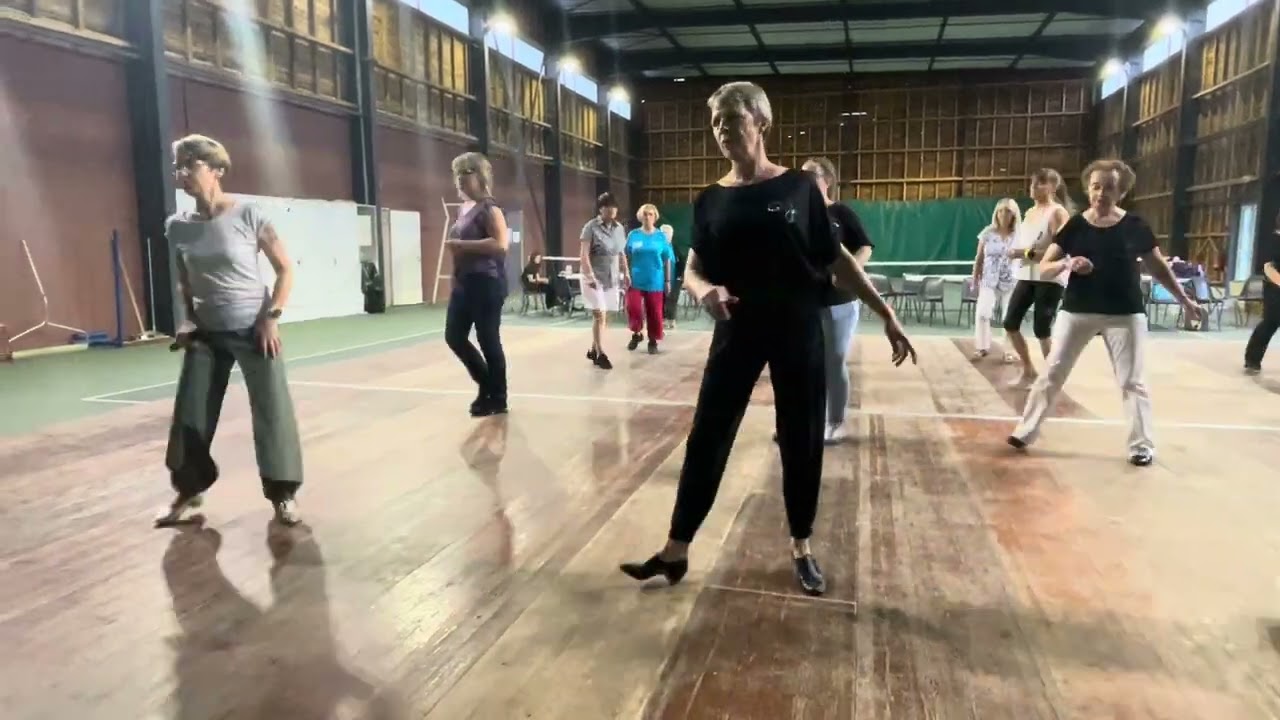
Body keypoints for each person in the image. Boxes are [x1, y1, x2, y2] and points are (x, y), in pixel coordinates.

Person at [619, 82, 916, 597]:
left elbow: (838, 259)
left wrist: (885, 311)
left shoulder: (799, 188)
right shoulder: (710, 200)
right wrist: (704, 291)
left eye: (732, 118)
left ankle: (802, 545)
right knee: (708, 434)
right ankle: (676, 549)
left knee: (801, 436)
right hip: (736, 330)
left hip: (797, 327)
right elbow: (693, 269)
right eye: (715, 121)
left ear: (761, 123)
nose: (721, 129)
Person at [1008, 159, 1201, 466]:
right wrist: (1068, 263)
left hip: (1124, 312)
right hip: (1077, 311)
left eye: (1109, 188)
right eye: (1096, 187)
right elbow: (1044, 268)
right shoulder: (1075, 226)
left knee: (1132, 381)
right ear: (1088, 189)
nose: (1101, 193)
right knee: (1052, 372)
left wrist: (1185, 300)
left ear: (1121, 192)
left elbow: (1159, 268)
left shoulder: (1135, 227)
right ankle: (1025, 430)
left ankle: (1141, 446)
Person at [156, 134, 303, 527]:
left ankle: (283, 495)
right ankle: (188, 491)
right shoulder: (177, 227)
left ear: (217, 170)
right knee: (190, 414)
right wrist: (188, 318)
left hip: (254, 330)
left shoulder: (248, 215)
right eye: (177, 167)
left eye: (191, 165)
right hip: (206, 333)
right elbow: (184, 281)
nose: (182, 174)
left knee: (272, 412)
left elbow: (285, 269)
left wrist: (271, 317)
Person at [802, 156, 874, 444]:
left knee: (833, 361)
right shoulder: (796, 215)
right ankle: (804, 422)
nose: (804, 181)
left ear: (827, 180)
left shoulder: (841, 213)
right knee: (804, 363)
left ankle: (836, 422)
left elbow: (865, 246)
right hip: (804, 302)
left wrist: (851, 271)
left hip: (838, 302)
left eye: (811, 175)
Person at [444, 151, 510, 417]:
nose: (460, 179)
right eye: (457, 174)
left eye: (466, 173)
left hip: (487, 283)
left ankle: (498, 397)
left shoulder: (490, 209)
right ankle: (487, 385)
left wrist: (461, 245)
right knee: (454, 336)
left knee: (488, 339)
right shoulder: (463, 211)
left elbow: (500, 244)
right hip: (464, 284)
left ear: (480, 176)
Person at [1003, 169, 1072, 386]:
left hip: (1049, 277)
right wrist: (1021, 253)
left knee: (1042, 330)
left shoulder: (1057, 213)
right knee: (1010, 322)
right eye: (1032, 182)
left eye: (1040, 183)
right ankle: (1028, 370)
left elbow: (1060, 251)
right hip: (1026, 275)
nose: (1033, 187)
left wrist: (1024, 253)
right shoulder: (1030, 212)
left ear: (1052, 187)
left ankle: (1052, 379)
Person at [579, 192, 630, 369]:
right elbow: (584, 255)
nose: (612, 209)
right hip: (594, 277)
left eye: (614, 206)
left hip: (612, 277)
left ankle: (593, 349)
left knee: (606, 315)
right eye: (607, 206)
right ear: (601, 209)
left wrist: (626, 272)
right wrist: (590, 276)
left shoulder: (619, 229)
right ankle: (601, 353)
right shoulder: (590, 227)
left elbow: (621, 253)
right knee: (599, 314)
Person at [971, 198, 1020, 362]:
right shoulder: (987, 232)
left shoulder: (1020, 235)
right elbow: (979, 257)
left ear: (1014, 215)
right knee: (983, 313)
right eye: (1000, 211)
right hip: (989, 279)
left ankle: (1009, 351)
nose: (1003, 214)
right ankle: (982, 346)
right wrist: (975, 276)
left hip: (1011, 280)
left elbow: (1026, 255)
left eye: (1008, 211)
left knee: (1009, 317)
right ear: (996, 213)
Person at [624, 204, 675, 353]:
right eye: (645, 214)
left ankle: (653, 340)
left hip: (655, 280)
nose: (647, 217)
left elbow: (667, 259)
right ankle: (637, 333)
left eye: (650, 214)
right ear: (640, 216)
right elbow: (625, 255)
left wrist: (667, 281)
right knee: (633, 308)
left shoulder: (660, 236)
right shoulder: (633, 235)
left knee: (654, 312)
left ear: (655, 217)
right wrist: (625, 273)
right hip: (635, 279)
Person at [1244, 211, 1280, 374]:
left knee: (1270, 324)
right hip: (1274, 289)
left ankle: (1252, 359)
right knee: (1270, 323)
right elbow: (1268, 267)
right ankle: (1252, 359)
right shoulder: (1274, 240)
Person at [661, 224, 684, 329]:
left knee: (672, 299)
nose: (666, 235)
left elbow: (682, 261)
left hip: (675, 278)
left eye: (668, 233)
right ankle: (662, 319)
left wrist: (681, 275)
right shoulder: (658, 246)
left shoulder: (674, 247)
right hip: (660, 278)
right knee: (662, 299)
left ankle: (671, 319)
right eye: (664, 233)